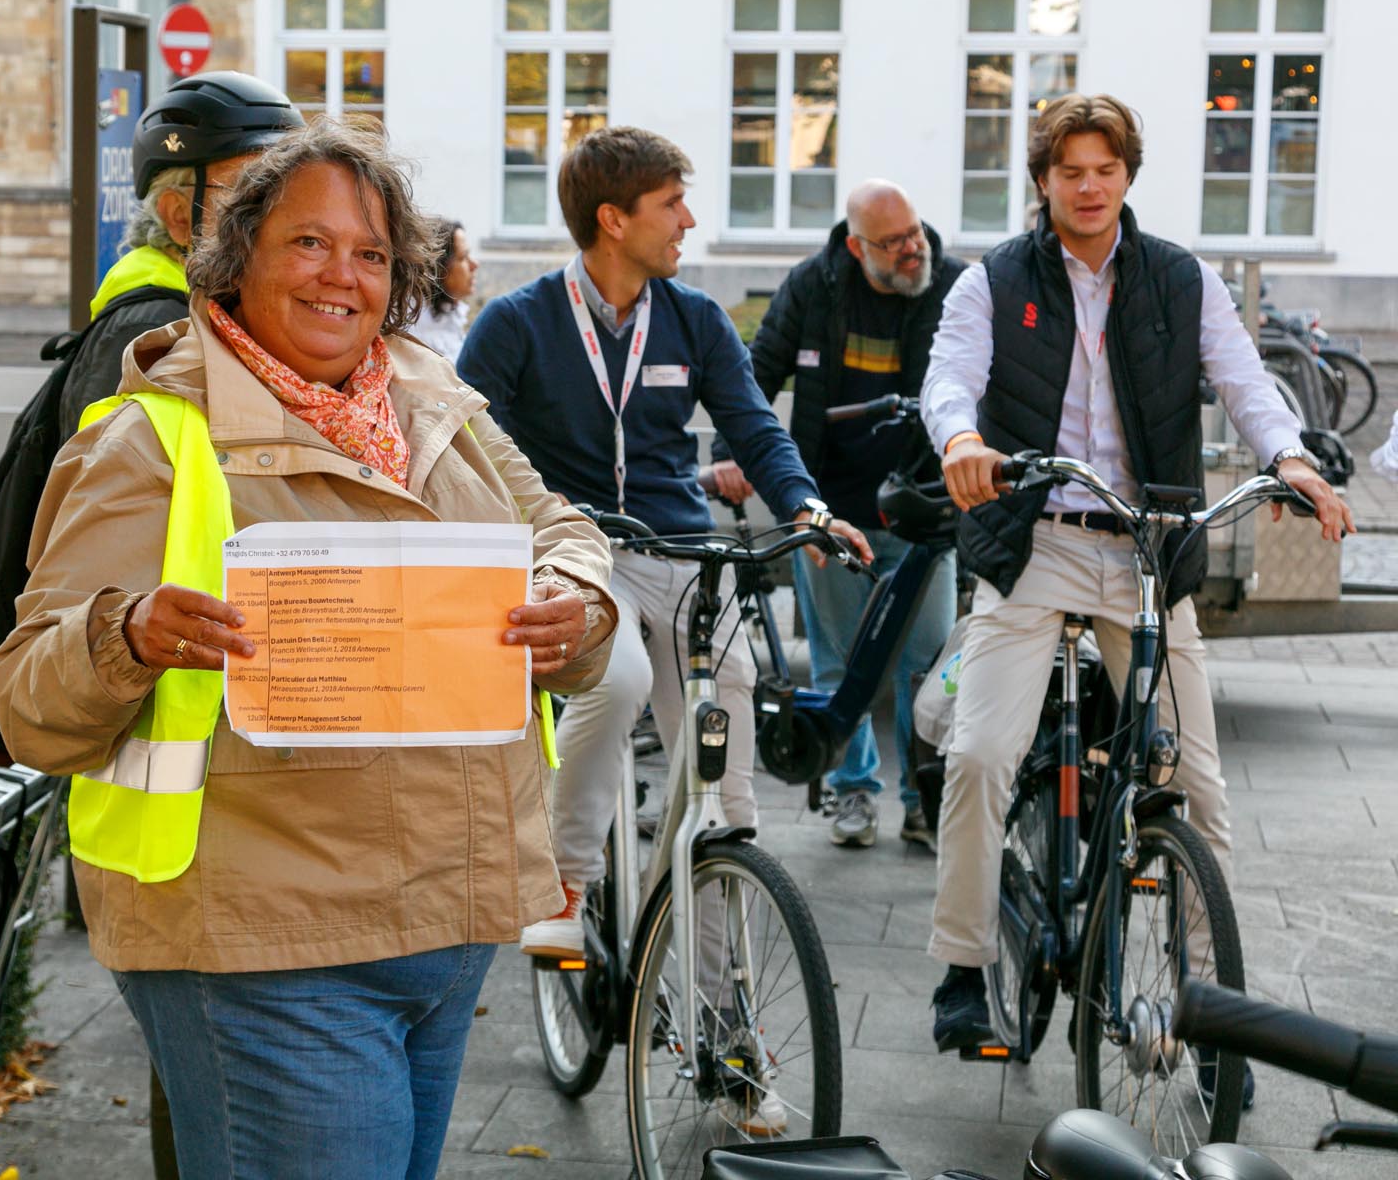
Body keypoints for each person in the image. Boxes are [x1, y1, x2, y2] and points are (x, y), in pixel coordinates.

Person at [0, 117, 618, 1180]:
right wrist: (130, 633)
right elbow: (25, 696)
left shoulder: (431, 403)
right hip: (265, 945)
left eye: (372, 252)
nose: (345, 276)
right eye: (308, 243)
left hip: (445, 927)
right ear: (236, 262)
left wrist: (578, 597)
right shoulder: (151, 434)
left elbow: (560, 525)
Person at [920, 95, 1352, 1081]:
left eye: (1104, 167)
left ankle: (1215, 1010)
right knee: (981, 752)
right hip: (1035, 540)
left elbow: (1245, 382)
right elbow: (951, 374)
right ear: (1042, 179)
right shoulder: (996, 280)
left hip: (1152, 547)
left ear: (1126, 175)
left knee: (1197, 788)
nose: (1088, 184)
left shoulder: (1179, 279)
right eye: (1069, 168)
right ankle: (961, 962)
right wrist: (962, 439)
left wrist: (1288, 456)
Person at [0, 70, 300, 1180]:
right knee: (207, 1074)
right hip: (169, 766)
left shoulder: (194, 314)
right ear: (185, 207)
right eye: (254, 196)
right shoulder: (149, 336)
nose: (279, 223)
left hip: (205, 755)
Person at [456, 125, 871, 963]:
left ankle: (719, 1014)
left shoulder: (694, 319)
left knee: (730, 772)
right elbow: (461, 440)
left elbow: (754, 426)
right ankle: (563, 884)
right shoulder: (517, 323)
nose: (688, 221)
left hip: (681, 551)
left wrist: (806, 506)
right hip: (577, 553)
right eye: (672, 204)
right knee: (618, 682)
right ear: (614, 219)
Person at [707, 180, 965, 851]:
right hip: (828, 507)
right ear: (856, 247)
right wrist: (730, 452)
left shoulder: (955, 285)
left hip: (924, 510)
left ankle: (921, 798)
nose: (913, 250)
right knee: (838, 661)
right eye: (893, 243)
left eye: (914, 233)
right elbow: (754, 375)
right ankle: (854, 793)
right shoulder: (813, 288)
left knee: (926, 663)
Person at [69, 72, 306, 440]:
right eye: (246, 193)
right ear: (179, 216)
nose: (273, 214)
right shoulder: (153, 331)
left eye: (285, 193)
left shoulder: (223, 310)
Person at [406, 217, 478, 361]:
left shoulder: (451, 317)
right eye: (463, 257)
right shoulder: (415, 332)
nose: (474, 264)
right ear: (439, 267)